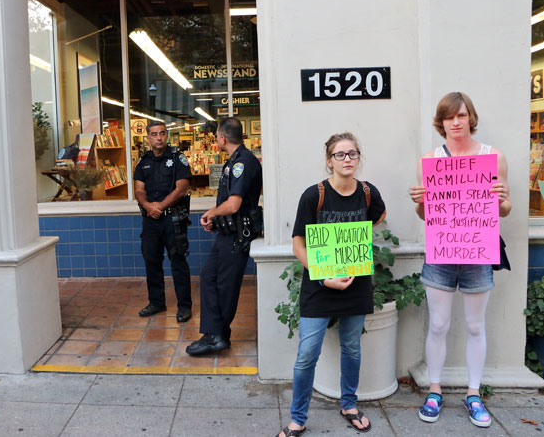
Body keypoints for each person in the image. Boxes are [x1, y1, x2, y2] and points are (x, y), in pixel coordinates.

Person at [409, 92, 511, 428]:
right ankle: (435, 390)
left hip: (478, 251)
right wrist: (420, 201)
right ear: (441, 122)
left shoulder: (492, 156)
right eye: (449, 117)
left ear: (471, 118)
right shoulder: (431, 159)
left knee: (474, 325)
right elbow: (427, 215)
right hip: (442, 251)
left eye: (462, 115)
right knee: (438, 324)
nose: (456, 122)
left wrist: (502, 199)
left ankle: (473, 393)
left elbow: (505, 209)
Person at [278, 132, 386, 437]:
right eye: (340, 155)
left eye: (353, 153)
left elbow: (377, 218)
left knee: (351, 347)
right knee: (307, 354)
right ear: (329, 161)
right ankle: (298, 418)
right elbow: (298, 245)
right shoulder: (314, 195)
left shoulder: (368, 192)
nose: (348, 159)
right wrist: (324, 275)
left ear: (359, 158)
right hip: (319, 285)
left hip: (356, 281)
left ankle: (349, 404)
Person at [186, 117, 263, 355]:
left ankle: (218, 335)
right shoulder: (235, 161)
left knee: (225, 284)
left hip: (237, 235)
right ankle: (214, 333)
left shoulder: (243, 163)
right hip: (228, 231)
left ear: (222, 138)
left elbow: (233, 204)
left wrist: (211, 212)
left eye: (216, 136)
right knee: (209, 276)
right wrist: (216, 220)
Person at [134, 121, 193, 323]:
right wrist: (149, 207)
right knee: (151, 260)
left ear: (167, 136)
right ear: (148, 138)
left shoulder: (178, 159)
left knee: (178, 262)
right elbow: (139, 190)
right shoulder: (143, 162)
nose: (158, 137)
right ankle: (157, 302)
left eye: (162, 133)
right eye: (154, 134)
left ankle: (184, 306)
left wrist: (159, 207)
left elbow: (181, 189)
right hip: (151, 220)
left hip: (173, 220)